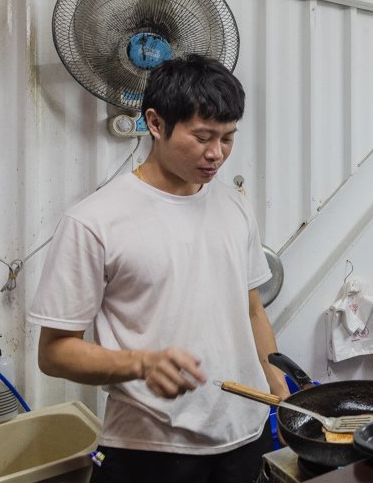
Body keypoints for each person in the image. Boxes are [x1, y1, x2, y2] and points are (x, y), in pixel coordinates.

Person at [28, 56, 289, 483]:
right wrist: (141, 363)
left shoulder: (234, 205)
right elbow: (54, 352)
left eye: (228, 138)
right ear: (155, 122)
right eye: (203, 136)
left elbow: (252, 308)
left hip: (247, 435)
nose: (216, 153)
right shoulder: (95, 221)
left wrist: (274, 377)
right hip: (150, 450)